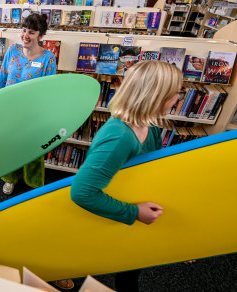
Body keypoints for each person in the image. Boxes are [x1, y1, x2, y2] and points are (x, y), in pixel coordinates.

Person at [70, 60, 183, 292]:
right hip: (118, 215)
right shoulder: (119, 137)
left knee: (131, 267)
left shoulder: (149, 125)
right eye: (176, 94)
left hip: (131, 216)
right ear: (156, 96)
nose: (178, 100)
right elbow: (82, 192)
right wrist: (135, 212)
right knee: (125, 269)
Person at [0, 13, 57, 196]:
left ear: (41, 36)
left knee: (34, 150)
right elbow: (2, 77)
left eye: (31, 32)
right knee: (7, 147)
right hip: (8, 110)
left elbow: (48, 90)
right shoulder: (12, 50)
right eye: (24, 30)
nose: (25, 35)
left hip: (32, 114)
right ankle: (9, 179)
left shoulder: (48, 59)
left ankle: (34, 183)